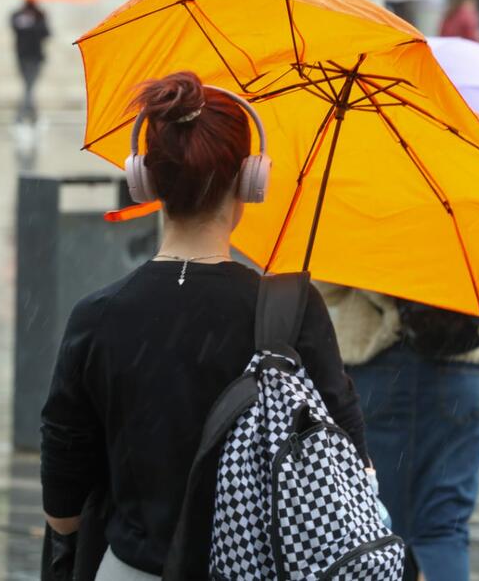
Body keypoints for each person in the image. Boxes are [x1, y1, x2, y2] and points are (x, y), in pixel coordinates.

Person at [39, 72, 369, 580]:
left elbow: (64, 506)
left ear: (144, 179)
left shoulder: (96, 316)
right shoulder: (289, 310)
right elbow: (352, 468)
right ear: (250, 179)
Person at [319, 285, 479, 581]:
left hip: (381, 369)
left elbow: (326, 285)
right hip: (466, 369)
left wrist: (392, 301)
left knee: (379, 526)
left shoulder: (360, 235)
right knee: (446, 528)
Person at [10, 0, 51, 123]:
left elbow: (46, 34)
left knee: (29, 85)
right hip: (23, 56)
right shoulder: (17, 15)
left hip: (34, 56)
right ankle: (29, 114)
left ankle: (27, 115)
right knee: (28, 86)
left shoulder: (39, 16)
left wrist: (36, 22)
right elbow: (14, 28)